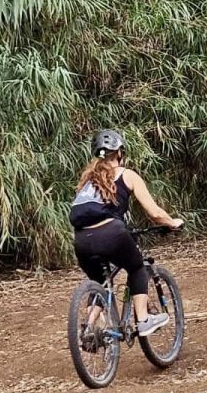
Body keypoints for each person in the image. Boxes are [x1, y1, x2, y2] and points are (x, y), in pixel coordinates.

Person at [71, 129, 184, 337]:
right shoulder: (127, 175)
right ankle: (143, 320)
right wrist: (172, 222)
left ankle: (89, 328)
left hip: (81, 240)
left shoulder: (87, 181)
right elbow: (154, 213)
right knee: (136, 267)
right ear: (120, 153)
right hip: (111, 234)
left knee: (100, 282)